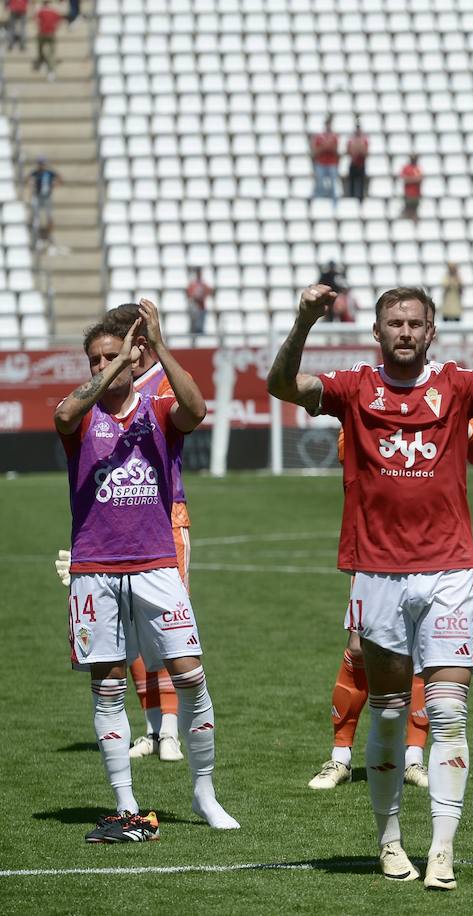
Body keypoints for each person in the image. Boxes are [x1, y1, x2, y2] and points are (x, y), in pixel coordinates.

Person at [266, 280, 473, 888]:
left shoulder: (456, 385)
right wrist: (302, 323)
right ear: (378, 333)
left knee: (449, 714)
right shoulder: (354, 388)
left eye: (414, 324)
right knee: (393, 712)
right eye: (393, 323)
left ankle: (443, 851)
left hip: (450, 571)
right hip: (376, 573)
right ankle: (390, 842)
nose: (404, 332)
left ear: (431, 332)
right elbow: (281, 386)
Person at [57, 300, 237, 842]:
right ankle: (127, 802)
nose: (101, 366)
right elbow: (65, 413)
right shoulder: (79, 414)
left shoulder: (157, 410)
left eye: (111, 356)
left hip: (156, 564)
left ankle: (204, 792)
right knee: (107, 686)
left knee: (191, 676)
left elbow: (197, 408)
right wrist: (119, 363)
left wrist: (155, 345)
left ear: (135, 359)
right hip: (95, 568)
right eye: (94, 358)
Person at [308, 418, 473, 791]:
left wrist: (452, 427)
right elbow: (348, 450)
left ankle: (413, 759)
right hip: (379, 549)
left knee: (428, 653)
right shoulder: (371, 391)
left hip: (438, 549)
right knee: (359, 648)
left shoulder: (457, 390)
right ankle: (340, 756)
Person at [27, 155, 61, 246]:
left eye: (43, 163)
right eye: (40, 164)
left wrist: (54, 185)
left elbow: (59, 178)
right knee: (36, 216)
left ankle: (49, 234)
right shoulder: (35, 173)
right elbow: (29, 180)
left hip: (47, 197)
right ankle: (37, 235)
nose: (41, 166)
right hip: (38, 196)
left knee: (49, 217)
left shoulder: (49, 173)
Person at [310, 117, 340, 202]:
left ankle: (334, 204)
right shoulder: (319, 137)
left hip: (331, 163)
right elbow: (315, 151)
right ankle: (319, 202)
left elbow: (335, 150)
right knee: (319, 184)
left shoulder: (334, 136)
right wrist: (326, 147)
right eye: (327, 124)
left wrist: (324, 147)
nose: (328, 126)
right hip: (321, 163)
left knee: (333, 185)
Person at [32, 0, 59, 79]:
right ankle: (50, 70)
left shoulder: (41, 11)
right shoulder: (54, 12)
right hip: (51, 33)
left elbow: (36, 20)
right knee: (51, 53)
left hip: (42, 33)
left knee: (40, 49)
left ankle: (42, 62)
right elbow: (58, 20)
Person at [345, 119, 369, 200]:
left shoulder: (364, 139)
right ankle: (352, 200)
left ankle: (360, 200)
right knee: (352, 184)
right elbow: (349, 151)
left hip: (361, 164)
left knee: (361, 184)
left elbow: (365, 152)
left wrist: (357, 148)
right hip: (353, 163)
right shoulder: (351, 139)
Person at [185, 268, 212, 336]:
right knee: (194, 324)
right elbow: (189, 294)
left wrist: (201, 297)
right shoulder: (193, 284)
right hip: (195, 307)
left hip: (201, 308)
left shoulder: (203, 284)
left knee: (200, 326)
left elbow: (209, 291)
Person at [398, 155, 422, 221]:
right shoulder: (406, 168)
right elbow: (405, 179)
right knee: (408, 208)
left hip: (416, 193)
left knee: (414, 209)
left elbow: (420, 179)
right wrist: (415, 179)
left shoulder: (418, 168)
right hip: (408, 193)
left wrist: (411, 179)